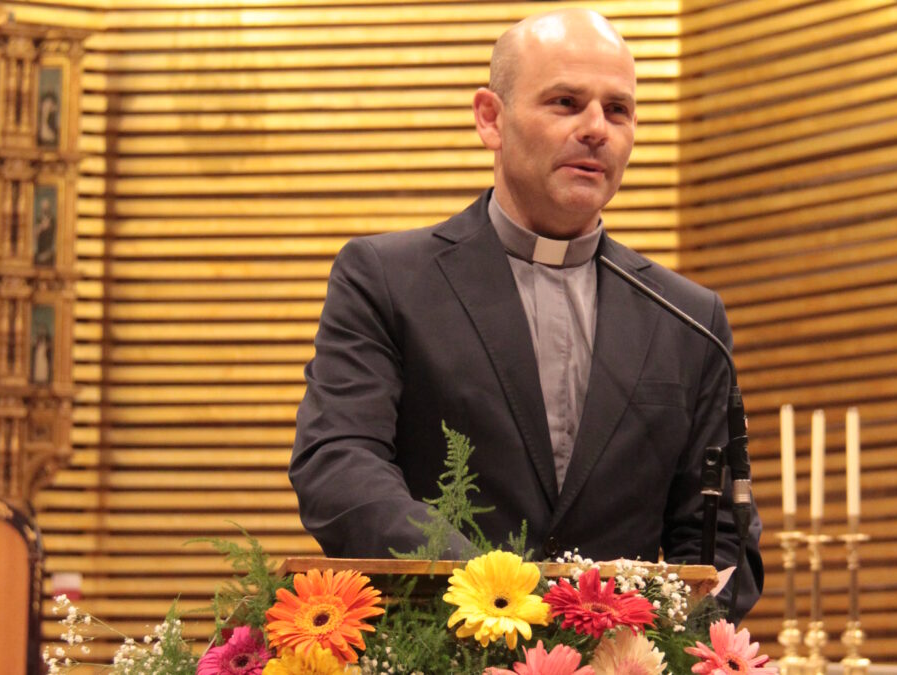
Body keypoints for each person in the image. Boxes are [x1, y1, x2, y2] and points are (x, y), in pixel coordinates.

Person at [291, 9, 763, 619]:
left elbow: (719, 537)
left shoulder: (688, 319)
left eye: (617, 109)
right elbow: (339, 466)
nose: (596, 128)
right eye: (566, 102)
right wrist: (487, 595)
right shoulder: (386, 279)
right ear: (492, 118)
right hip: (434, 641)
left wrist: (654, 639)